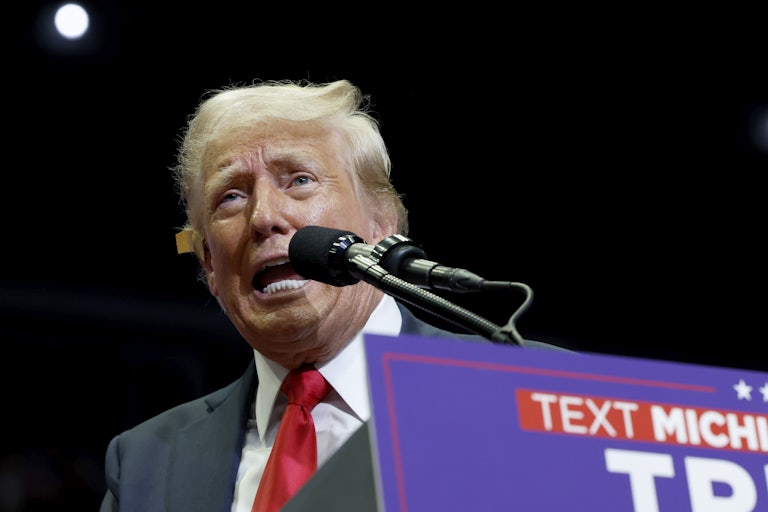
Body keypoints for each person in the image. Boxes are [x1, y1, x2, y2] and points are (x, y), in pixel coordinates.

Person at [99, 78, 569, 511]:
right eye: (231, 197)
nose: (264, 217)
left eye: (299, 180)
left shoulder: (535, 394)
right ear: (209, 265)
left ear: (381, 224)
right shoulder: (144, 463)